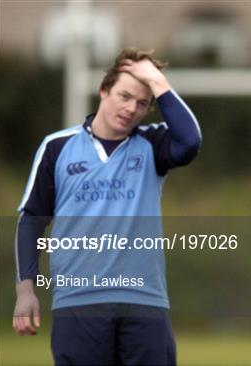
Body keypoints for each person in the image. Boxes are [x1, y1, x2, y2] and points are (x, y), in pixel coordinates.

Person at [13, 48, 202, 365]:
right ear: (104, 90)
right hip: (78, 302)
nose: (131, 109)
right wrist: (25, 291)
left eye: (142, 103)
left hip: (144, 301)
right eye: (124, 96)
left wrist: (157, 81)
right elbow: (31, 220)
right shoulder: (57, 147)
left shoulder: (152, 145)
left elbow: (190, 142)